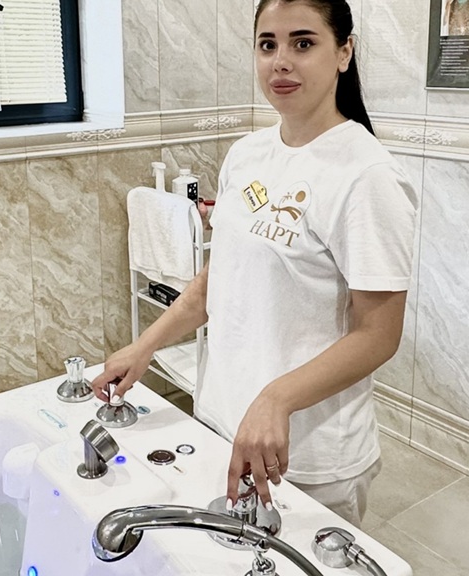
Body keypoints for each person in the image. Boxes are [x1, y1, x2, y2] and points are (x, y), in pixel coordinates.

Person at [91, 0, 418, 527]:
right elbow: (218, 278)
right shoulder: (247, 154)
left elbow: (379, 334)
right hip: (223, 420)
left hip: (307, 451)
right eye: (268, 44)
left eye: (303, 43)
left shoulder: (366, 175)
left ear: (344, 52)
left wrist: (277, 398)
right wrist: (144, 346)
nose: (280, 61)